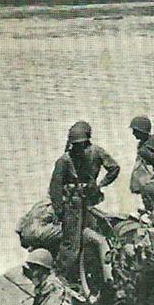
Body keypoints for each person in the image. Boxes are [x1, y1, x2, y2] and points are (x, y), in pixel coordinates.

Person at [48, 122, 118, 289]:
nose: (80, 148)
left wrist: (100, 185)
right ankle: (63, 276)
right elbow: (55, 188)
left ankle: (84, 275)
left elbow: (114, 168)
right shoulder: (66, 160)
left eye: (82, 144)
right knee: (72, 241)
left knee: (86, 238)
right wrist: (59, 211)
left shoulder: (83, 155)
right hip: (75, 204)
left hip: (86, 202)